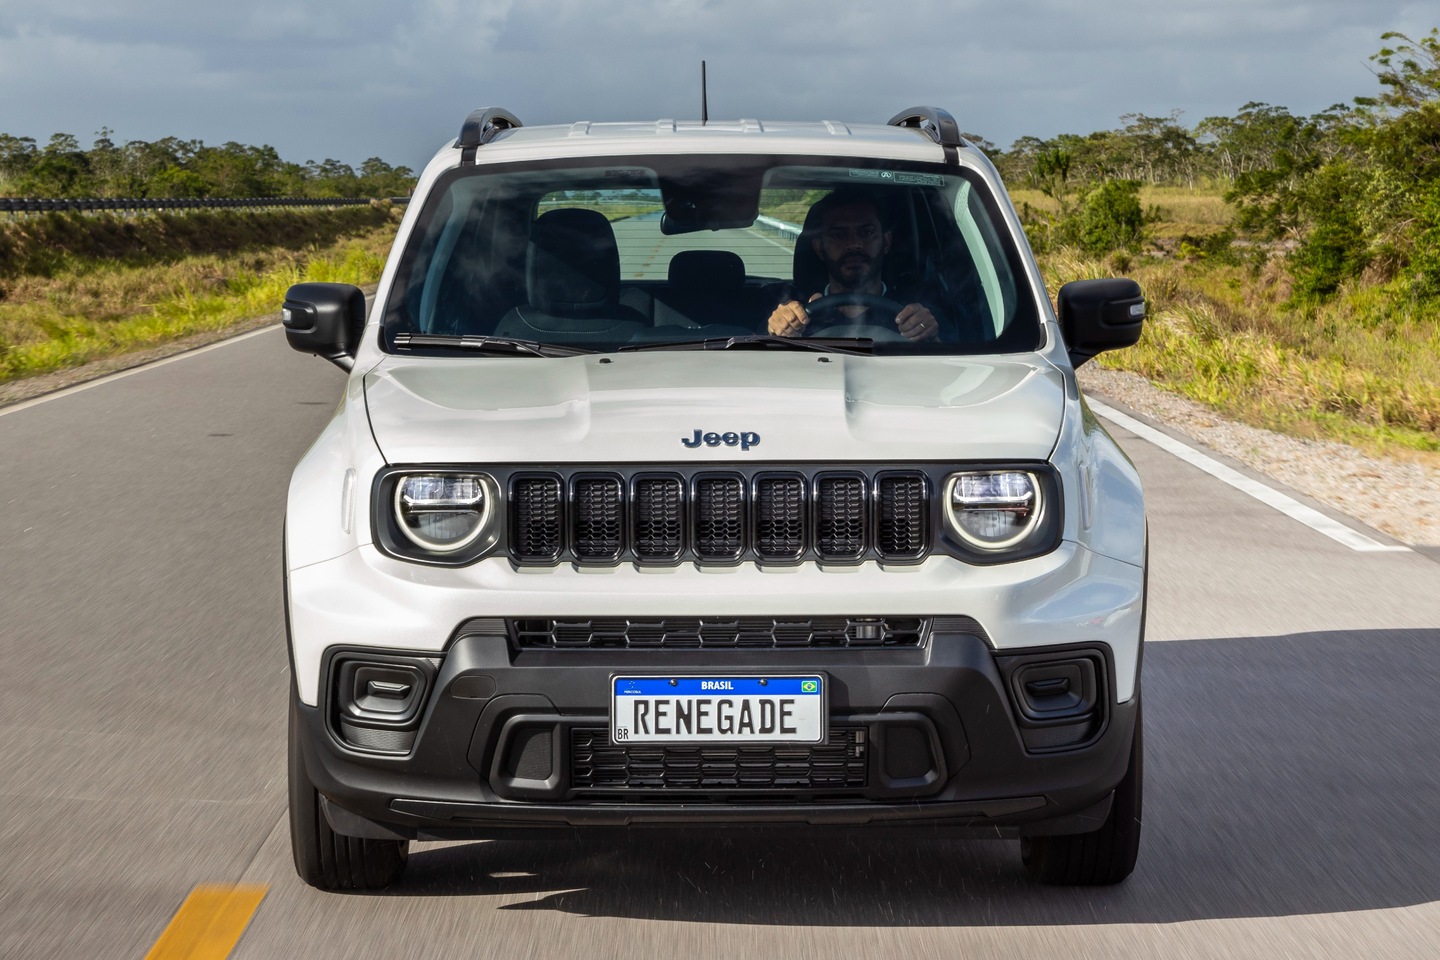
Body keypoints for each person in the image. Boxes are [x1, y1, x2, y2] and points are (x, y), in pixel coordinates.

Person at [767, 188, 940, 341]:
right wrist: (776, 330)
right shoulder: (794, 312)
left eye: (867, 232)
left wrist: (930, 335)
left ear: (886, 242)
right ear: (819, 248)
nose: (854, 244)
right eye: (839, 235)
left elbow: (956, 364)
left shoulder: (916, 312)